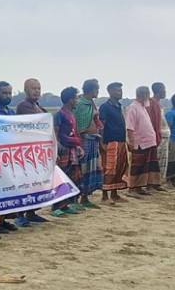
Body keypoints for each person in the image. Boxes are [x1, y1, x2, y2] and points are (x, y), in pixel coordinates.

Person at [13, 78, 51, 226]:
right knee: (24, 185)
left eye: (38, 88)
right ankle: (20, 214)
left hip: (38, 153)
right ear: (26, 90)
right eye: (33, 88)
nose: (36, 91)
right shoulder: (24, 106)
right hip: (25, 152)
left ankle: (32, 212)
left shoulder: (39, 106)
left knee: (35, 184)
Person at [0, 81, 20, 232]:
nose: (7, 96)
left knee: (8, 189)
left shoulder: (11, 113)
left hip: (9, 157)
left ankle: (4, 220)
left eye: (9, 93)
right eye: (4, 93)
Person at [51, 87, 84, 217]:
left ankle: (65, 205)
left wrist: (78, 146)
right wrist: (56, 151)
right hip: (62, 149)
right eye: (76, 98)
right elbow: (55, 133)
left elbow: (73, 133)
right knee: (61, 178)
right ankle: (56, 207)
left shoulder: (71, 115)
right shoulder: (59, 114)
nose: (77, 101)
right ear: (70, 100)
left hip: (72, 150)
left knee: (72, 177)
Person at [73, 79, 103, 209]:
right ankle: (75, 198)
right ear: (91, 90)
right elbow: (77, 123)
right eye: (97, 89)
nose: (97, 91)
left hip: (93, 140)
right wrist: (78, 142)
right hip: (84, 140)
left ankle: (85, 197)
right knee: (82, 169)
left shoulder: (92, 103)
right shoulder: (80, 104)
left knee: (91, 169)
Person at [126, 86, 161, 197]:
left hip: (149, 142)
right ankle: (132, 189)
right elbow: (130, 127)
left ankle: (140, 187)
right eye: (148, 94)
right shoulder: (133, 107)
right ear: (144, 95)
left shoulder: (142, 107)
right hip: (140, 143)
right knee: (137, 166)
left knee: (146, 166)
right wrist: (131, 142)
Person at [98, 82, 129, 204]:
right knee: (109, 168)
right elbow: (102, 125)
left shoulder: (119, 106)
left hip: (121, 141)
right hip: (110, 142)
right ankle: (105, 196)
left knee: (119, 167)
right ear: (110, 92)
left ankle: (115, 193)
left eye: (120, 90)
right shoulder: (105, 107)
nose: (120, 92)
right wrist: (102, 142)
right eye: (117, 90)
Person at [148, 82, 168, 191]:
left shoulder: (159, 104)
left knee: (162, 162)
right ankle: (151, 183)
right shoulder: (152, 104)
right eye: (164, 89)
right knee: (156, 161)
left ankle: (158, 182)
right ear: (159, 90)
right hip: (158, 137)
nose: (165, 91)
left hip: (164, 135)